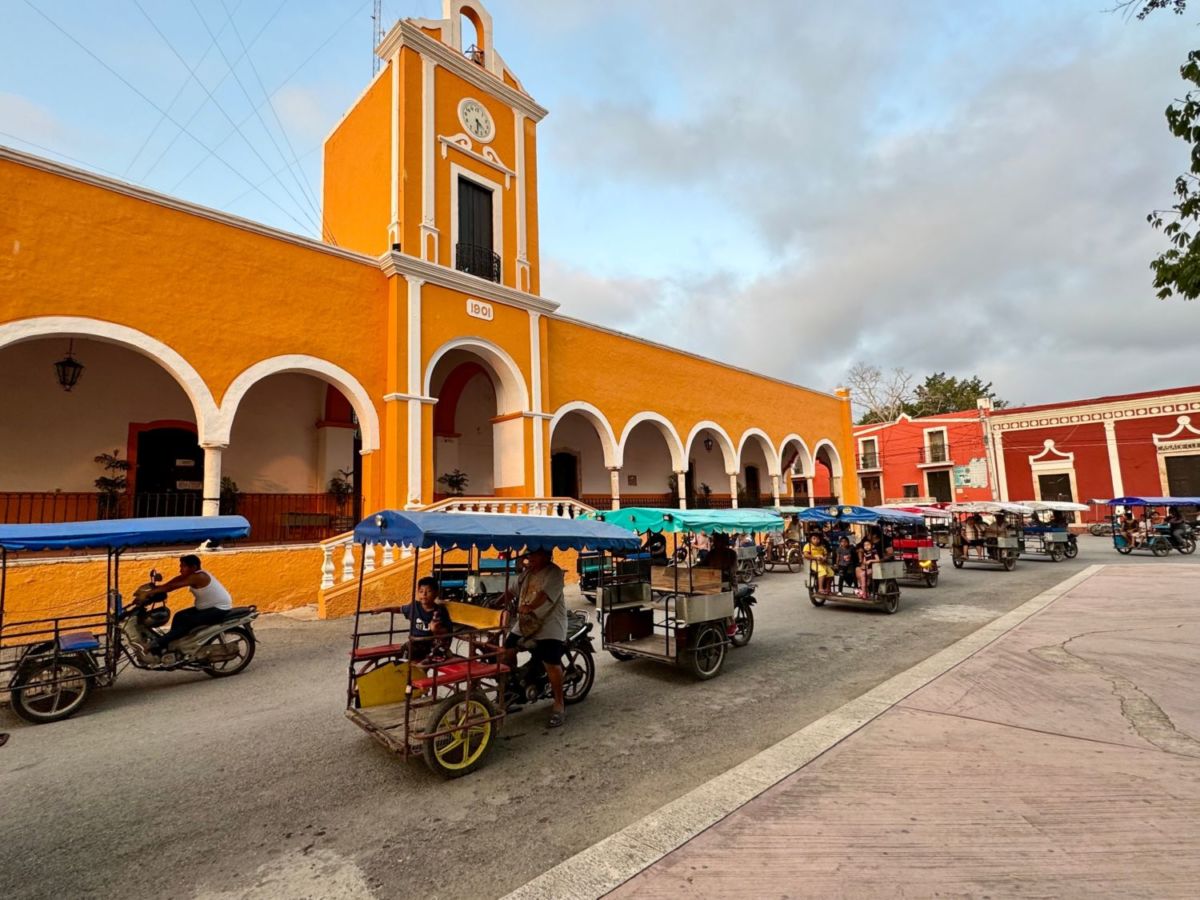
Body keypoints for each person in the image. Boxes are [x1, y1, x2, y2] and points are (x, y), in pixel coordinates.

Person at [501, 549, 568, 728]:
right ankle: (513, 689)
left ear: (546, 555)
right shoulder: (526, 575)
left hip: (550, 623)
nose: (528, 557)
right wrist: (496, 604)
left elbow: (543, 596)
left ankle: (559, 704)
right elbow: (510, 592)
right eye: (528, 554)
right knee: (506, 652)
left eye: (534, 554)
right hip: (526, 622)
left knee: (551, 662)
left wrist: (530, 606)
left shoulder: (554, 573)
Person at [150, 554, 233, 653]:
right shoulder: (192, 575)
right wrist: (158, 588)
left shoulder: (198, 576)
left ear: (193, 567)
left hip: (218, 609)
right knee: (179, 615)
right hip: (208, 608)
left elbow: (172, 587)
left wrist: (150, 592)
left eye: (183, 566)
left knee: (186, 622)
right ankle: (173, 643)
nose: (180, 569)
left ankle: (161, 642)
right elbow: (175, 581)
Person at [400, 576, 451, 662]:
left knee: (415, 651)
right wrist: (383, 609)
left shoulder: (440, 610)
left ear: (436, 593)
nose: (424, 594)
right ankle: (407, 666)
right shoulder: (415, 606)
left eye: (428, 591)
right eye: (421, 591)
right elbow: (399, 609)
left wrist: (436, 630)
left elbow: (447, 631)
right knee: (406, 648)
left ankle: (417, 667)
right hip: (417, 642)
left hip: (433, 644)